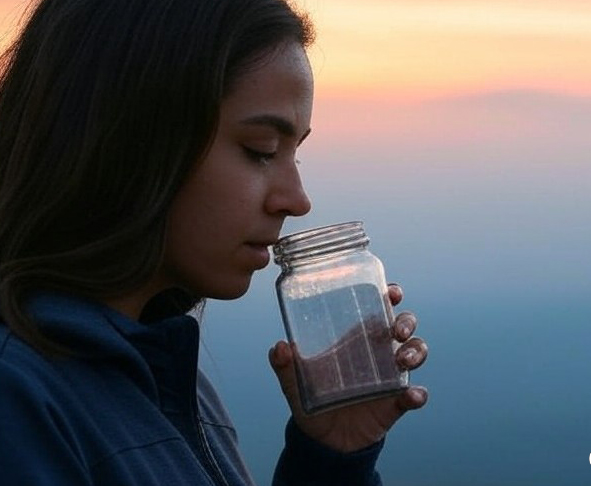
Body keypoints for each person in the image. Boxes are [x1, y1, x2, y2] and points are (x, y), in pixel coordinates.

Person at [0, 0, 429, 484]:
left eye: (295, 154)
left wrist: (332, 456)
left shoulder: (165, 377)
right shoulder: (19, 399)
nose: (296, 200)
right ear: (130, 137)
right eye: (260, 151)